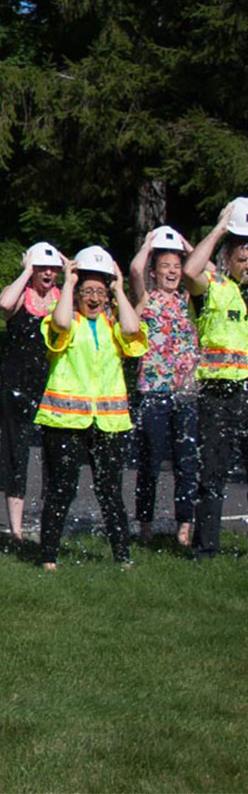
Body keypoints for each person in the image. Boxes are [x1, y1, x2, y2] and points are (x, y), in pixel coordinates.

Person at [34, 247, 145, 569]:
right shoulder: (65, 321)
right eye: (87, 292)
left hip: (109, 423)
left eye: (100, 292)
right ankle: (49, 556)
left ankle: (122, 557)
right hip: (64, 420)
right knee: (61, 489)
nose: (94, 298)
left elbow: (131, 330)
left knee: (110, 492)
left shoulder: (114, 325)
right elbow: (61, 320)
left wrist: (119, 290)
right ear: (77, 294)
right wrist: (68, 285)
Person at [181, 199, 248, 560]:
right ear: (228, 254)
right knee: (213, 475)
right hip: (218, 394)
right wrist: (221, 228)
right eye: (243, 253)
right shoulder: (213, 287)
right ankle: (206, 548)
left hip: (247, 392)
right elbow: (190, 270)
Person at [127, 227, 199, 545]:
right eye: (165, 266)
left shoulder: (189, 300)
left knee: (187, 461)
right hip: (152, 391)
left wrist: (185, 244)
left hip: (185, 392)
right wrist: (148, 244)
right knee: (150, 463)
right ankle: (145, 525)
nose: (172, 271)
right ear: (154, 272)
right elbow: (133, 269)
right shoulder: (145, 299)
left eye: (177, 266)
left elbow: (203, 267)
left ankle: (185, 525)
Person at [0, 242, 65, 542]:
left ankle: (51, 519)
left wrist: (70, 274)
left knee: (55, 453)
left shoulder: (63, 298)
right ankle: (17, 530)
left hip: (55, 384)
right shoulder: (20, 295)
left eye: (52, 269)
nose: (47, 273)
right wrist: (26, 272)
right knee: (16, 452)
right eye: (41, 268)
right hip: (17, 384)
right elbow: (4, 305)